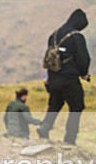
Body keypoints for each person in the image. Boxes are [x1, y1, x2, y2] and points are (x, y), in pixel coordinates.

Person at [37, 9, 91, 145]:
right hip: (69, 79)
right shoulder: (76, 36)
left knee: (55, 104)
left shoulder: (54, 35)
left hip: (53, 78)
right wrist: (83, 72)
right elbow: (82, 59)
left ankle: (44, 127)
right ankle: (70, 139)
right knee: (76, 106)